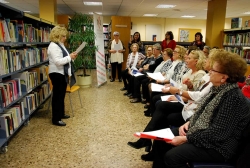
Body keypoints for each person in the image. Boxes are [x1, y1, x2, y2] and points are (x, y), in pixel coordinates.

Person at [152, 50, 250, 168]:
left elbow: (217, 134)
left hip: (219, 147)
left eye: (213, 70)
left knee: (172, 157)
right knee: (160, 139)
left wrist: (186, 138)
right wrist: (189, 122)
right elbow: (202, 110)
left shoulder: (233, 98)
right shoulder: (218, 89)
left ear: (223, 77)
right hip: (204, 134)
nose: (209, 72)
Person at [48, 26, 78, 126]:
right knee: (57, 96)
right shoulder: (53, 46)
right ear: (57, 36)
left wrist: (71, 57)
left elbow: (65, 58)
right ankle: (56, 119)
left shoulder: (60, 45)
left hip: (62, 73)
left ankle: (60, 113)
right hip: (57, 74)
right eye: (63, 36)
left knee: (61, 95)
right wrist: (69, 57)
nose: (65, 38)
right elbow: (57, 61)